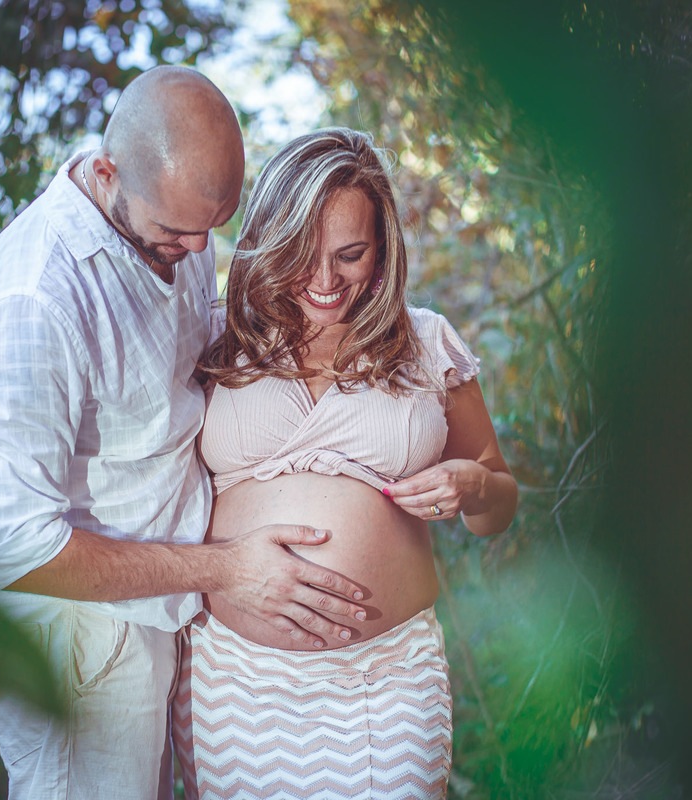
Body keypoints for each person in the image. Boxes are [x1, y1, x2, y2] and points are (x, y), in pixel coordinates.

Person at [0, 68, 368, 800]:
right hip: (79, 645)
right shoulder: (32, 298)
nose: (198, 246)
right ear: (108, 173)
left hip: (162, 621)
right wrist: (229, 569)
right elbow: (19, 550)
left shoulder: (177, 220)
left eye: (212, 228)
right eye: (177, 232)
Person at [173, 127, 518, 799]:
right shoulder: (216, 335)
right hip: (236, 679)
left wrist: (472, 484)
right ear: (270, 241)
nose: (326, 281)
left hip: (387, 683)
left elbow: (496, 508)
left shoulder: (425, 342)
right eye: (304, 254)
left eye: (351, 255)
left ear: (383, 249)